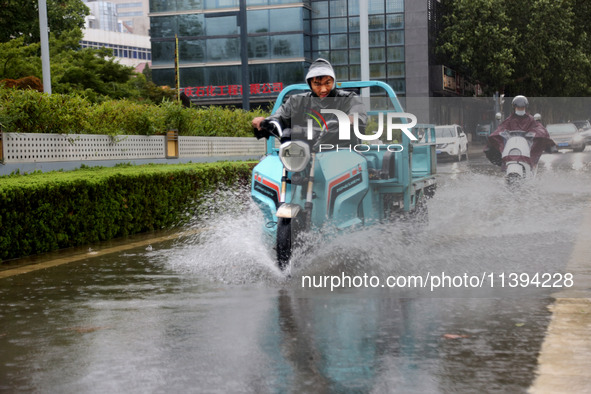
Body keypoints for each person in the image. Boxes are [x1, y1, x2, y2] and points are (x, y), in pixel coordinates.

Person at [252, 58, 367, 147]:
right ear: (310, 84)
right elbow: (280, 117)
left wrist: (349, 119)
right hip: (302, 155)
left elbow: (358, 116)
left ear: (334, 81)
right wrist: (266, 122)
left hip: (341, 152)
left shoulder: (348, 98)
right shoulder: (297, 101)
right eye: (317, 84)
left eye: (327, 83)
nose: (323, 89)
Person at [484, 95, 555, 166]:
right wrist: (496, 134)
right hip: (511, 147)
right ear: (514, 108)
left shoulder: (531, 119)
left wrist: (535, 133)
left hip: (527, 148)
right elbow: (501, 129)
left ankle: (532, 165)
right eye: (518, 108)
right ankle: (503, 165)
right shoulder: (509, 120)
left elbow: (539, 128)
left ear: (525, 107)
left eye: (522, 108)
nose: (520, 109)